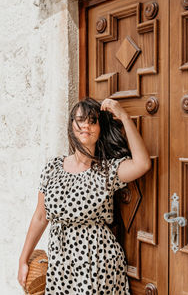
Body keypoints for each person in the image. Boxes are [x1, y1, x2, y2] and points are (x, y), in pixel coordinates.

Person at [18, 97, 151, 294]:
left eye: (92, 121)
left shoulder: (107, 169)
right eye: (80, 120)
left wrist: (123, 115)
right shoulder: (53, 167)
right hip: (60, 263)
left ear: (100, 128)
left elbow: (142, 164)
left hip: (96, 261)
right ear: (71, 124)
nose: (85, 126)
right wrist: (23, 260)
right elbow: (40, 216)